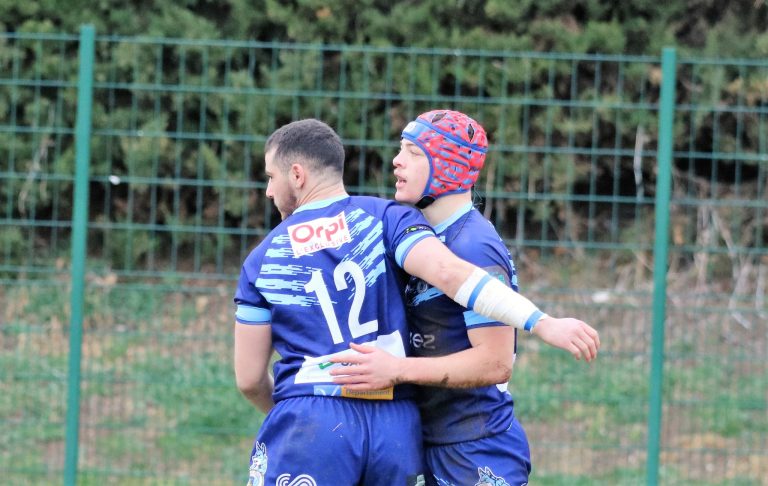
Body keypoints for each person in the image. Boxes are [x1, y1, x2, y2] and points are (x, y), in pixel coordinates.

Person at [233, 118, 598, 486]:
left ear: (297, 175)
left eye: (270, 177)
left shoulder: (262, 259)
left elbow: (249, 379)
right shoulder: (388, 220)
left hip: (445, 437)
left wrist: (543, 323)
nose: (268, 191)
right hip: (398, 424)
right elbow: (448, 272)